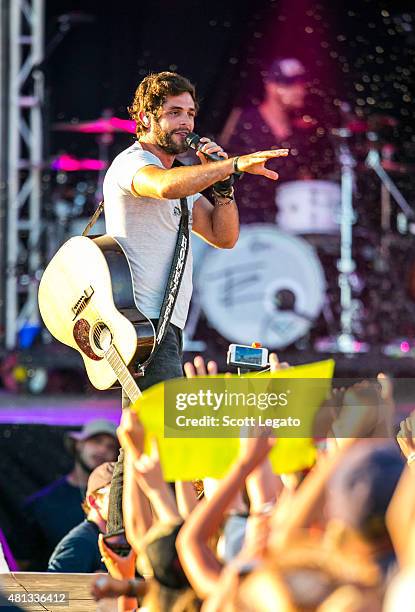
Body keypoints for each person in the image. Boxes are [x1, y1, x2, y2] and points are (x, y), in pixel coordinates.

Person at [221, 57, 335, 224]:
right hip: (246, 220)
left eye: (302, 83)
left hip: (290, 221)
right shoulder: (244, 121)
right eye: (290, 84)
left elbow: (307, 176)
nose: (299, 90)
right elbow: (221, 168)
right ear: (271, 86)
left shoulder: (302, 132)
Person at [12, 419, 119, 570]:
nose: (102, 449)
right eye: (96, 441)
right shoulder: (42, 505)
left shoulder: (123, 509)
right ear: (78, 444)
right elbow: (21, 565)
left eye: (111, 446)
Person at [48, 461, 117, 573]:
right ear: (93, 501)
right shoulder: (78, 544)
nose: (128, 502)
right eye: (118, 494)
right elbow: (54, 589)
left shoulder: (125, 539)